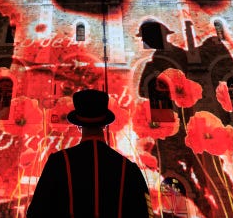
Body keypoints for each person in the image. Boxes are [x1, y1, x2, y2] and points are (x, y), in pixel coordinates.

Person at [27, 89, 153, 218]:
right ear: (104, 125)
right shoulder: (128, 168)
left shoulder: (58, 162)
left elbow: (37, 212)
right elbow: (144, 213)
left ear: (78, 125)